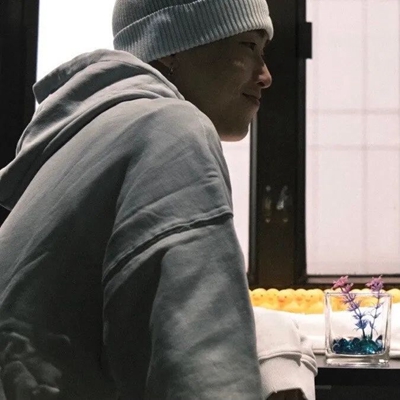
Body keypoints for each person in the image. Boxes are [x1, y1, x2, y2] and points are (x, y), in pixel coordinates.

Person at [0, 0, 316, 399]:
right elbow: (203, 365)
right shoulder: (171, 127)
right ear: (171, 46)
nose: (266, 76)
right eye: (247, 46)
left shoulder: (94, 132)